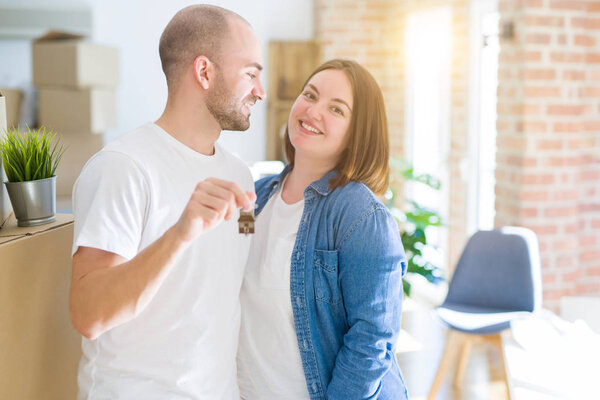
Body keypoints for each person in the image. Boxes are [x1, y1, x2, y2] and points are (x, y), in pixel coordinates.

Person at [68, 5, 265, 399]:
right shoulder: (122, 168)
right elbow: (88, 314)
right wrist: (180, 233)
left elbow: (236, 278)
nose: (260, 91)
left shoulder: (241, 178)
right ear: (204, 71)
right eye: (251, 73)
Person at [237, 59, 409, 399]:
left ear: (357, 134)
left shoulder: (362, 215)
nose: (313, 111)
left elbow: (371, 341)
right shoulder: (254, 196)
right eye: (310, 95)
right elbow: (232, 265)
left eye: (337, 109)